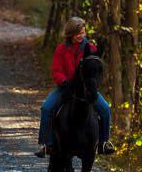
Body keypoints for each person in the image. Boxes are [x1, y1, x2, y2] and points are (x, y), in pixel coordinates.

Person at [35, 16, 115, 158]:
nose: (81, 36)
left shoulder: (90, 48)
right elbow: (56, 70)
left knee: (105, 109)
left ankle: (104, 143)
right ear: (70, 34)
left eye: (83, 33)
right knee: (46, 108)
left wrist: (93, 82)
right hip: (65, 87)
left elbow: (95, 67)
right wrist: (64, 81)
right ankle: (46, 144)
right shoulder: (61, 49)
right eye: (78, 34)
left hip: (86, 88)